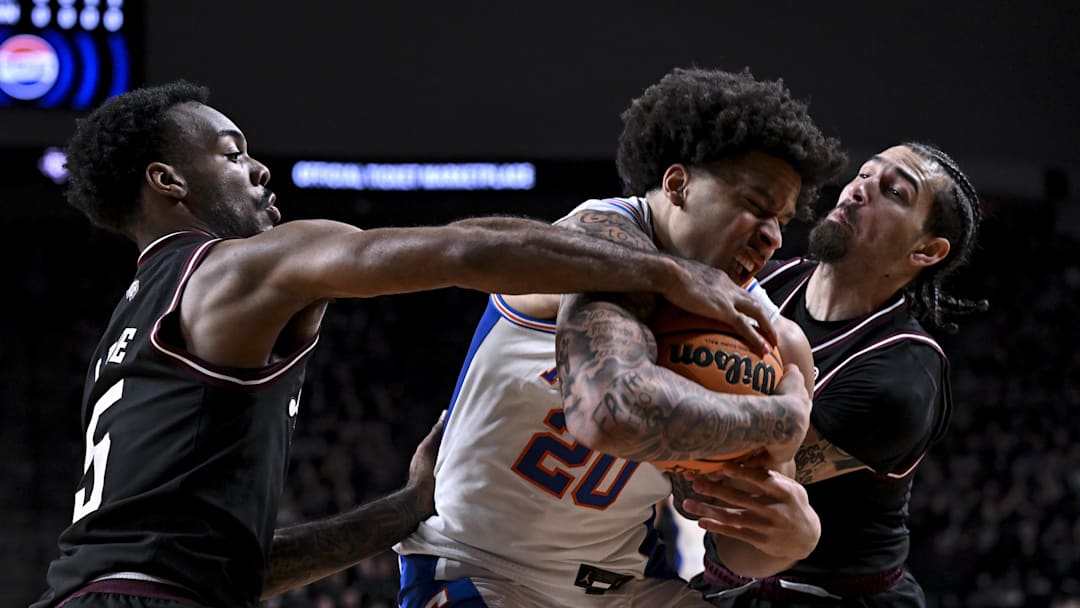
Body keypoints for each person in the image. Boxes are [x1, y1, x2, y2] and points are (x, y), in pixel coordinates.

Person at [32, 80, 786, 608]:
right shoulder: (232, 266)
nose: (258, 167)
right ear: (167, 181)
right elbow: (461, 253)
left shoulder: (135, 324)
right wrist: (671, 273)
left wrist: (406, 508)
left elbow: (235, 572)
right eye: (231, 154)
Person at [395, 67, 847, 608]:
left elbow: (733, 547)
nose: (773, 236)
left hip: (624, 585)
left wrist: (790, 538)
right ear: (677, 185)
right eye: (755, 204)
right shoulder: (597, 241)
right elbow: (614, 412)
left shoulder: (776, 344)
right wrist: (780, 420)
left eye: (782, 219)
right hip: (483, 567)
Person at [687, 142, 986, 606]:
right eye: (865, 173)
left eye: (894, 192)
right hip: (727, 580)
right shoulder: (766, 283)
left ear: (927, 250)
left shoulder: (903, 376)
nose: (861, 188)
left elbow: (737, 476)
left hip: (836, 595)